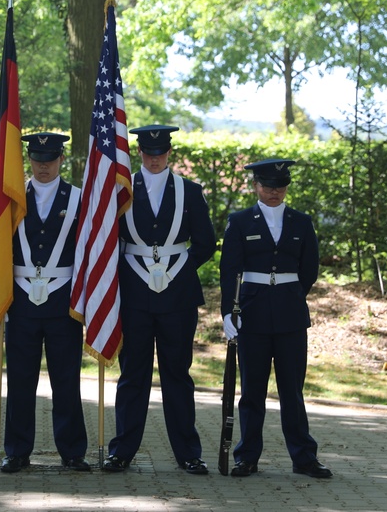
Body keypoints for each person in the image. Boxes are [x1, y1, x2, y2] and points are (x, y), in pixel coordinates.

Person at [102, 124, 217, 475]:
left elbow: (206, 243)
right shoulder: (121, 190)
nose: (155, 159)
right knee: (132, 375)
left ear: (169, 153)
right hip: (134, 294)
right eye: (148, 154)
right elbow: (107, 241)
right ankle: (121, 451)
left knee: (177, 375)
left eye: (160, 153)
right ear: (139, 154)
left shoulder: (190, 191)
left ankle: (188, 454)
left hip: (178, 298)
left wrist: (178, 270)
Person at [219, 158, 332, 479]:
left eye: (280, 187)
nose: (274, 192)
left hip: (290, 315)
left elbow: (309, 269)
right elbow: (230, 270)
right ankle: (247, 456)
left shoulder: (301, 221)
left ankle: (304, 457)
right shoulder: (239, 221)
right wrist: (228, 312)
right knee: (252, 391)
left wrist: (291, 295)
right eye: (268, 187)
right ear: (256, 186)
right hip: (252, 314)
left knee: (292, 392)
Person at [0, 133, 91, 473]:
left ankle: (72, 451)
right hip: (21, 298)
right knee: (20, 379)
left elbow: (88, 250)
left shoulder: (79, 199)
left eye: (49, 159)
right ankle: (17, 450)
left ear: (60, 160)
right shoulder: (10, 197)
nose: (43, 165)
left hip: (62, 300)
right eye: (37, 159)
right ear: (29, 160)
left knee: (66, 379)